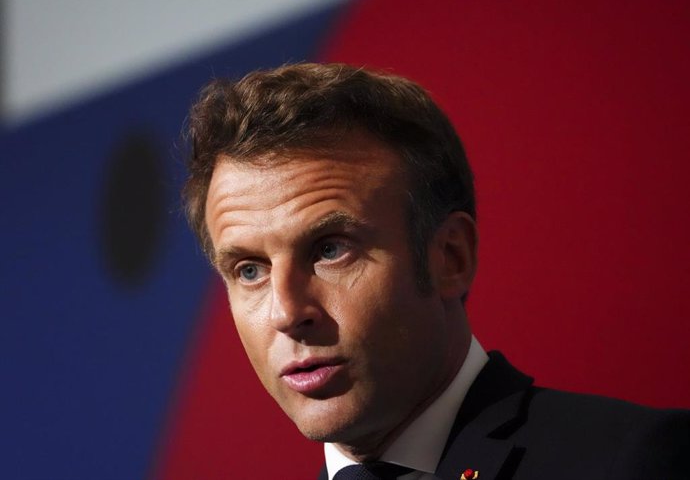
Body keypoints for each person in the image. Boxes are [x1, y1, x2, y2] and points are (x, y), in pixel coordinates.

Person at [182, 63, 689, 480]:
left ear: (450, 257)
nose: (287, 312)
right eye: (250, 270)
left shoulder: (634, 462)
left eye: (330, 249)